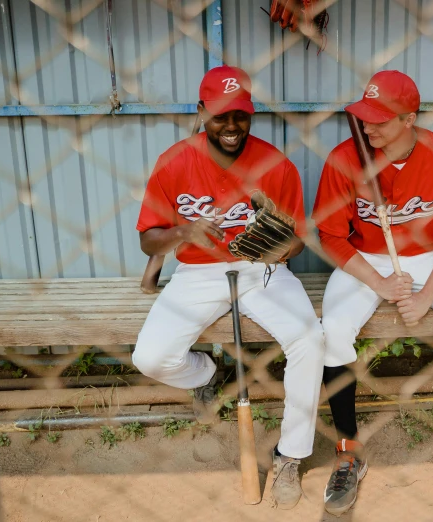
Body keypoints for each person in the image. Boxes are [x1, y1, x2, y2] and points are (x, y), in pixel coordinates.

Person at [312, 70, 433, 515]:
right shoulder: (345, 158)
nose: (368, 127)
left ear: (410, 119)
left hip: (431, 256)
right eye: (364, 117)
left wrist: (423, 296)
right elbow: (331, 236)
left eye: (380, 120)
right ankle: (348, 449)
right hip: (366, 258)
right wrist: (379, 283)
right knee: (335, 330)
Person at [132, 65, 324, 510]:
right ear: (202, 112)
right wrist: (184, 232)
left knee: (310, 339)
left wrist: (280, 247)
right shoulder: (175, 161)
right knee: (149, 357)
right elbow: (148, 237)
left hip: (261, 272)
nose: (232, 126)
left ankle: (291, 456)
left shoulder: (276, 164)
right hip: (197, 272)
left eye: (240, 114)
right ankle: (206, 375)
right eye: (220, 115)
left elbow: (297, 238)